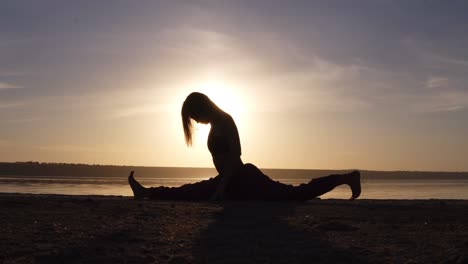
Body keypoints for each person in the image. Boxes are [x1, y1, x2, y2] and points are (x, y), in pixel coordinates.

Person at [128, 92, 361, 201]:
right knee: (191, 190)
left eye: (193, 116)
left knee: (296, 194)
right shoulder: (215, 124)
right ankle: (146, 192)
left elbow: (235, 156)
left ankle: (347, 178)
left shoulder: (225, 120)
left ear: (202, 108)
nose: (195, 121)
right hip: (232, 179)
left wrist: (222, 188)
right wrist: (222, 185)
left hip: (243, 178)